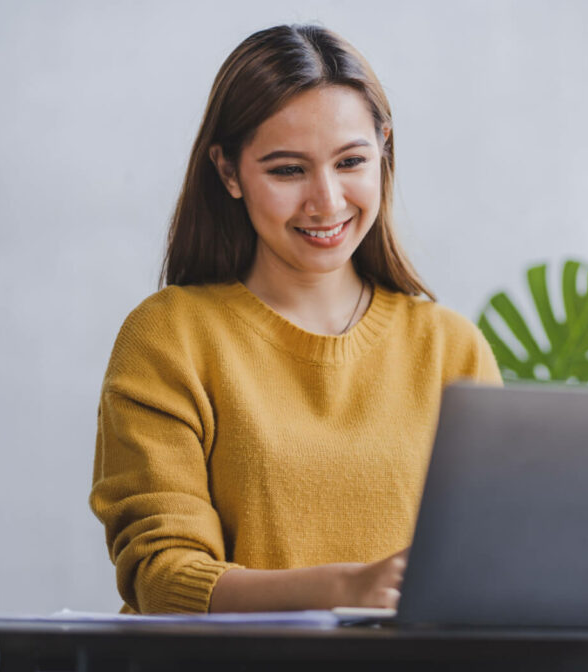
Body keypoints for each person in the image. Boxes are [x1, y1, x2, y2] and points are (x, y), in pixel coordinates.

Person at [90, 24, 502, 615]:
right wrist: (345, 593)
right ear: (229, 172)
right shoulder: (169, 337)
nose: (327, 201)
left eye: (351, 161)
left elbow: (489, 564)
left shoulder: (451, 348)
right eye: (288, 170)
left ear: (384, 148)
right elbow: (164, 578)